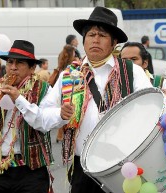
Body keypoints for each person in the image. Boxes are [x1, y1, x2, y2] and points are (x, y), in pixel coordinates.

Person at [48, 6, 152, 193]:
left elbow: (149, 110)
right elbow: (45, 112)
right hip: (83, 169)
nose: (95, 39)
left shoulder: (131, 72)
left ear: (114, 43)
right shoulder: (69, 75)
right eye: (91, 34)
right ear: (84, 40)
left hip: (123, 166)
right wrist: (59, 114)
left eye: (102, 35)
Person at [0, 40, 56, 193]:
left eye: (20, 63)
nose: (13, 67)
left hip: (31, 170)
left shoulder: (44, 90)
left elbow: (42, 123)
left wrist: (19, 99)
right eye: (10, 62)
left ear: (32, 68)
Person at [54, 44, 79, 143]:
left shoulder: (61, 58)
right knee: (69, 110)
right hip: (69, 84)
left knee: (62, 109)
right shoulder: (73, 62)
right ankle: (67, 133)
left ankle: (59, 134)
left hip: (60, 84)